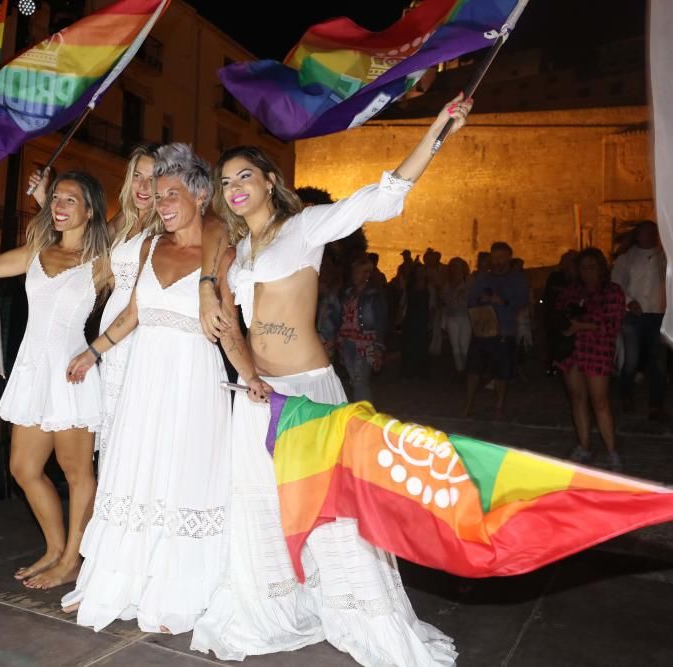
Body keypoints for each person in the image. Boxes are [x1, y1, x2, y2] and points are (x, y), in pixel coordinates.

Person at [192, 95, 471, 665]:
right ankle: (277, 605)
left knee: (332, 515)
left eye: (245, 175)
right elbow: (232, 326)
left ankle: (358, 614)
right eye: (226, 181)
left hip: (307, 394)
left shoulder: (306, 228)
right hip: (255, 396)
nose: (234, 186)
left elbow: (384, 192)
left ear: (271, 182)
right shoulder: (239, 250)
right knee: (261, 509)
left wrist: (440, 127)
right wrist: (244, 370)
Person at [61, 143, 265, 634]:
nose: (163, 200)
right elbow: (133, 312)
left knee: (182, 474)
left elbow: (230, 328)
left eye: (173, 192)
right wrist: (94, 352)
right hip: (144, 379)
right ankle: (117, 580)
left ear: (199, 195)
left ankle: (177, 588)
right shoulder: (152, 246)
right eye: (159, 192)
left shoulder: (223, 252)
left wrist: (251, 377)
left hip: (193, 380)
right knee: (136, 473)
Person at [0, 170, 112, 590]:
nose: (60, 206)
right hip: (33, 371)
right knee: (24, 468)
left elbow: (134, 305)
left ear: (90, 211)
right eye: (56, 200)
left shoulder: (102, 262)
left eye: (71, 200)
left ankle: (72, 559)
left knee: (77, 472)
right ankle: (53, 549)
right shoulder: (37, 250)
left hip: (72, 372)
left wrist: (99, 349)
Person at [29, 143, 160, 463]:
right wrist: (45, 200)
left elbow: (141, 303)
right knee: (114, 442)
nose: (143, 187)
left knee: (135, 439)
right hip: (112, 346)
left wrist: (94, 350)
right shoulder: (123, 223)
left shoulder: (164, 229)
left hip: (137, 337)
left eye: (153, 178)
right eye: (138, 176)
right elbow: (81, 248)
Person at [556, 248, 626, 470]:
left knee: (600, 402)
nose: (587, 272)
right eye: (583, 268)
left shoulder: (612, 292)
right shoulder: (572, 292)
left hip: (597, 350)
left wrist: (583, 326)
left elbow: (612, 325)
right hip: (573, 351)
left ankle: (612, 450)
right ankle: (583, 446)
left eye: (592, 267)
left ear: (601, 268)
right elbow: (558, 314)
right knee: (577, 399)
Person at [462, 241, 529, 419]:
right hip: (483, 329)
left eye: (501, 257)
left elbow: (522, 301)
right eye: (495, 257)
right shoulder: (483, 278)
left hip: (505, 330)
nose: (498, 261)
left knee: (502, 371)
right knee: (474, 369)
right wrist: (481, 300)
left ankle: (499, 406)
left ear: (508, 258)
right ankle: (468, 404)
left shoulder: (517, 279)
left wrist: (503, 302)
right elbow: (471, 301)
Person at [611, 221, 668, 419]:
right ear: (638, 235)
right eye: (647, 233)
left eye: (654, 233)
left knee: (658, 361)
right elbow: (616, 283)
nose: (651, 236)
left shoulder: (664, 257)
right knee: (631, 359)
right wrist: (629, 301)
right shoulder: (626, 258)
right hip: (633, 315)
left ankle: (657, 404)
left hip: (658, 314)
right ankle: (626, 395)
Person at [336, 254, 387, 401]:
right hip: (347, 340)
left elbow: (381, 320)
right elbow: (342, 315)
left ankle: (364, 415)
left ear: (366, 274)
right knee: (354, 380)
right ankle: (362, 412)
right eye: (354, 271)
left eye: (358, 272)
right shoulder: (347, 293)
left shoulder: (374, 294)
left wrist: (378, 344)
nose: (354, 275)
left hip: (365, 342)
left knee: (360, 380)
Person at [542, 250, 578, 375]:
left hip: (571, 316)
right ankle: (554, 366)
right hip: (555, 316)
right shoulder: (555, 277)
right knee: (554, 342)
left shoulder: (578, 278)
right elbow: (548, 295)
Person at [401, 262, 434, 379]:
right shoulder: (410, 287)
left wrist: (430, 322)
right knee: (409, 346)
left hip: (422, 320)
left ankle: (420, 373)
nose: (420, 274)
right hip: (411, 319)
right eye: (418, 271)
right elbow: (404, 303)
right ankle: (409, 372)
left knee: (421, 346)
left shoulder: (429, 287)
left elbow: (432, 306)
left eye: (422, 271)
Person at [441, 257, 473, 374]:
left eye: (457, 266)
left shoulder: (468, 280)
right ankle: (460, 370)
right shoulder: (448, 283)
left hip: (465, 316)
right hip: (452, 316)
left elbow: (472, 297)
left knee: (464, 344)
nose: (455, 269)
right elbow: (444, 299)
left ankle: (467, 368)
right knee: (455, 345)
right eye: (453, 266)